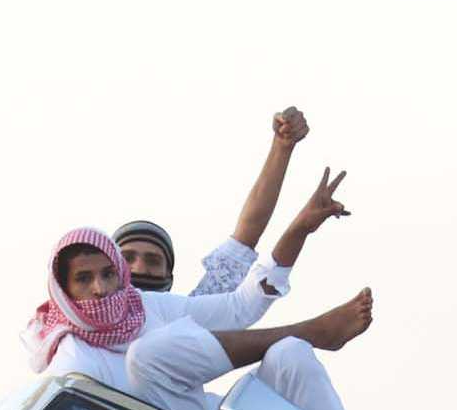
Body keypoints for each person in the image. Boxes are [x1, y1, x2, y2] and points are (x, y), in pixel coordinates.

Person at [28, 224, 371, 410]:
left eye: (107, 274)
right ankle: (313, 330)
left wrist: (299, 230)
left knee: (290, 353)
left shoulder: (145, 307)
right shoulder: (73, 364)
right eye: (83, 279)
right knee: (145, 357)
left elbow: (239, 307)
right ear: (64, 289)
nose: (100, 289)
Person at [115, 105, 311, 295]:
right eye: (127, 259)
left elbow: (246, 236)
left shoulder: (191, 320)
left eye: (153, 261)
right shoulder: (83, 323)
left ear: (169, 275)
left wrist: (282, 147)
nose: (138, 269)